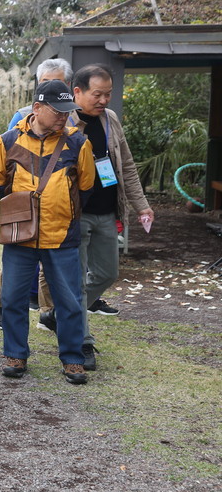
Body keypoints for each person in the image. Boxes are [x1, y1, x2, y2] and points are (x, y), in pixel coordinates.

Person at [0, 80, 95, 384]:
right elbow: (0, 182)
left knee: (70, 301)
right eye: (58, 110)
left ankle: (73, 358)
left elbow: (85, 187)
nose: (64, 116)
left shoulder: (78, 143)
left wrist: (62, 211)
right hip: (19, 235)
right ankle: (15, 354)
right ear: (37, 108)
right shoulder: (8, 141)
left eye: (68, 111)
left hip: (63, 236)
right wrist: (25, 214)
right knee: (12, 297)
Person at [68, 63, 154, 369]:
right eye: (97, 94)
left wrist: (141, 204)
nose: (104, 100)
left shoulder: (110, 120)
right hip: (73, 215)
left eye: (108, 94)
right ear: (77, 92)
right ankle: (81, 342)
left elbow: (126, 165)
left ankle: (60, 312)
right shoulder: (63, 121)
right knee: (76, 283)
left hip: (106, 212)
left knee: (107, 274)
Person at [0, 58, 73, 330]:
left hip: (60, 216)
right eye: (44, 84)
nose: (48, 88)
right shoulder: (21, 119)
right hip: (25, 211)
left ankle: (49, 312)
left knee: (53, 265)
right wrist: (22, 199)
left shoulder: (73, 123)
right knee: (18, 256)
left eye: (55, 82)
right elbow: (2, 175)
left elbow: (85, 183)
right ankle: (1, 305)